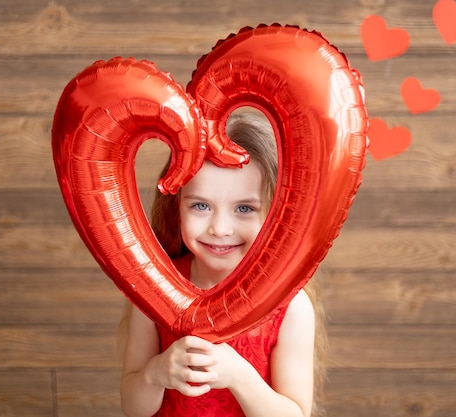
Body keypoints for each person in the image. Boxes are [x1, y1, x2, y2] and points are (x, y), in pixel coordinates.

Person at [119, 111, 327, 417]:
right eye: (201, 205)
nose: (220, 228)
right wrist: (156, 374)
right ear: (177, 206)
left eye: (244, 208)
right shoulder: (156, 287)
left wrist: (238, 376)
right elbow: (133, 407)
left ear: (275, 213)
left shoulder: (290, 307)